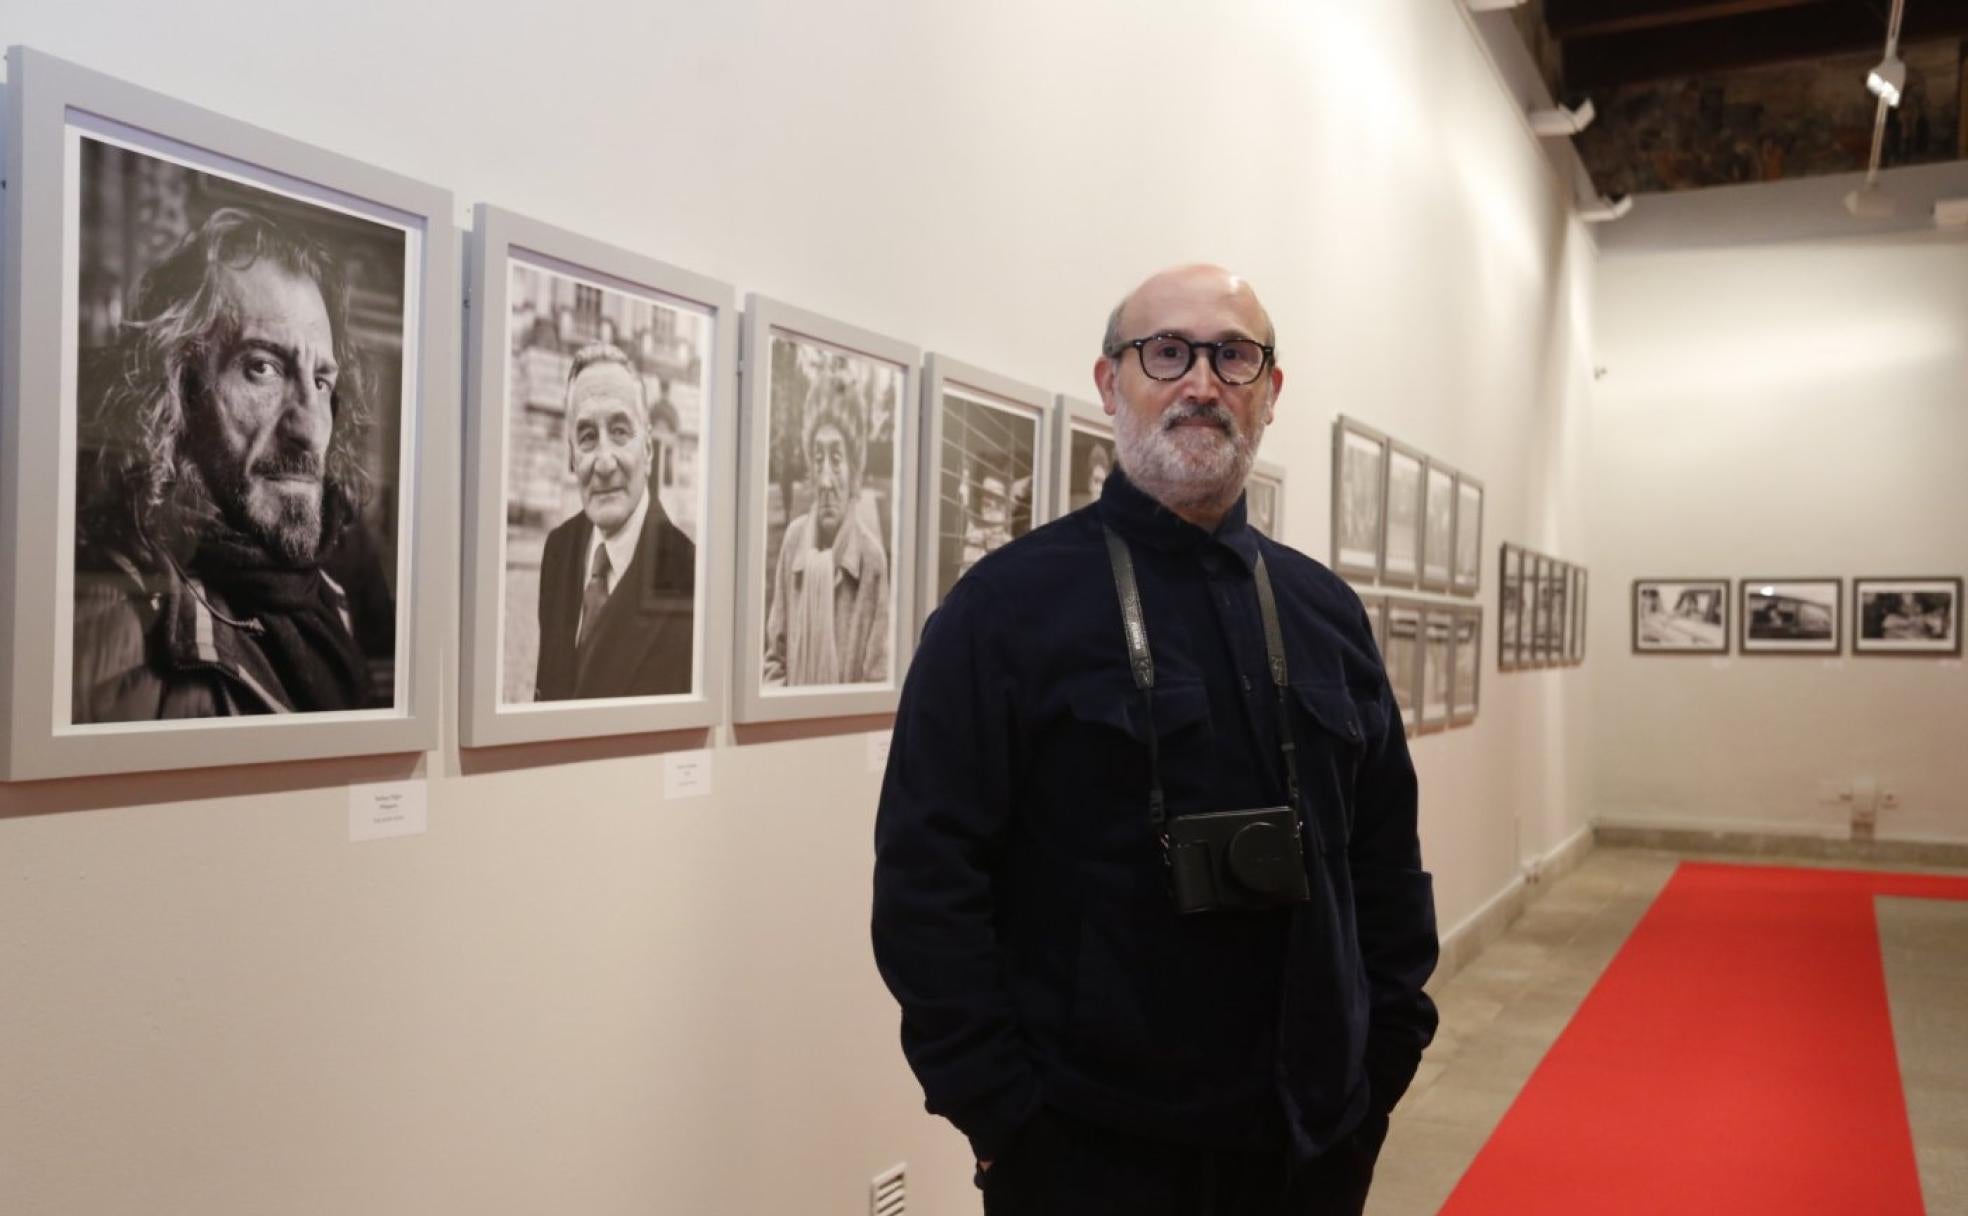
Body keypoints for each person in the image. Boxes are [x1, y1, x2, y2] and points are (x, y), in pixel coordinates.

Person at [872, 265, 1438, 1214]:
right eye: (1167, 353)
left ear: (1270, 392)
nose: (1202, 384)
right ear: (1111, 383)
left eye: (1235, 356)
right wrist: (1006, 1120)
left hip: (1308, 1143)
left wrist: (1384, 1058)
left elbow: (1386, 858)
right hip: (1091, 1153)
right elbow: (927, 883)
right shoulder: (1004, 612)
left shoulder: (1325, 611)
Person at [71, 207, 392, 721]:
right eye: (262, 368)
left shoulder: (324, 593)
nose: (309, 429)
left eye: (322, 382)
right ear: (178, 386)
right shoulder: (112, 638)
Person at [534, 343, 697, 701]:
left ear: (649, 451)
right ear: (572, 458)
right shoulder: (558, 549)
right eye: (588, 437)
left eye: (620, 431)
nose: (605, 462)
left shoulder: (690, 574)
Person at [762, 368, 889, 686]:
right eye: (818, 459)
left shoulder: (871, 560)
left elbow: (876, 679)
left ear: (854, 470)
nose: (826, 479)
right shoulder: (793, 542)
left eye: (836, 458)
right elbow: (774, 662)